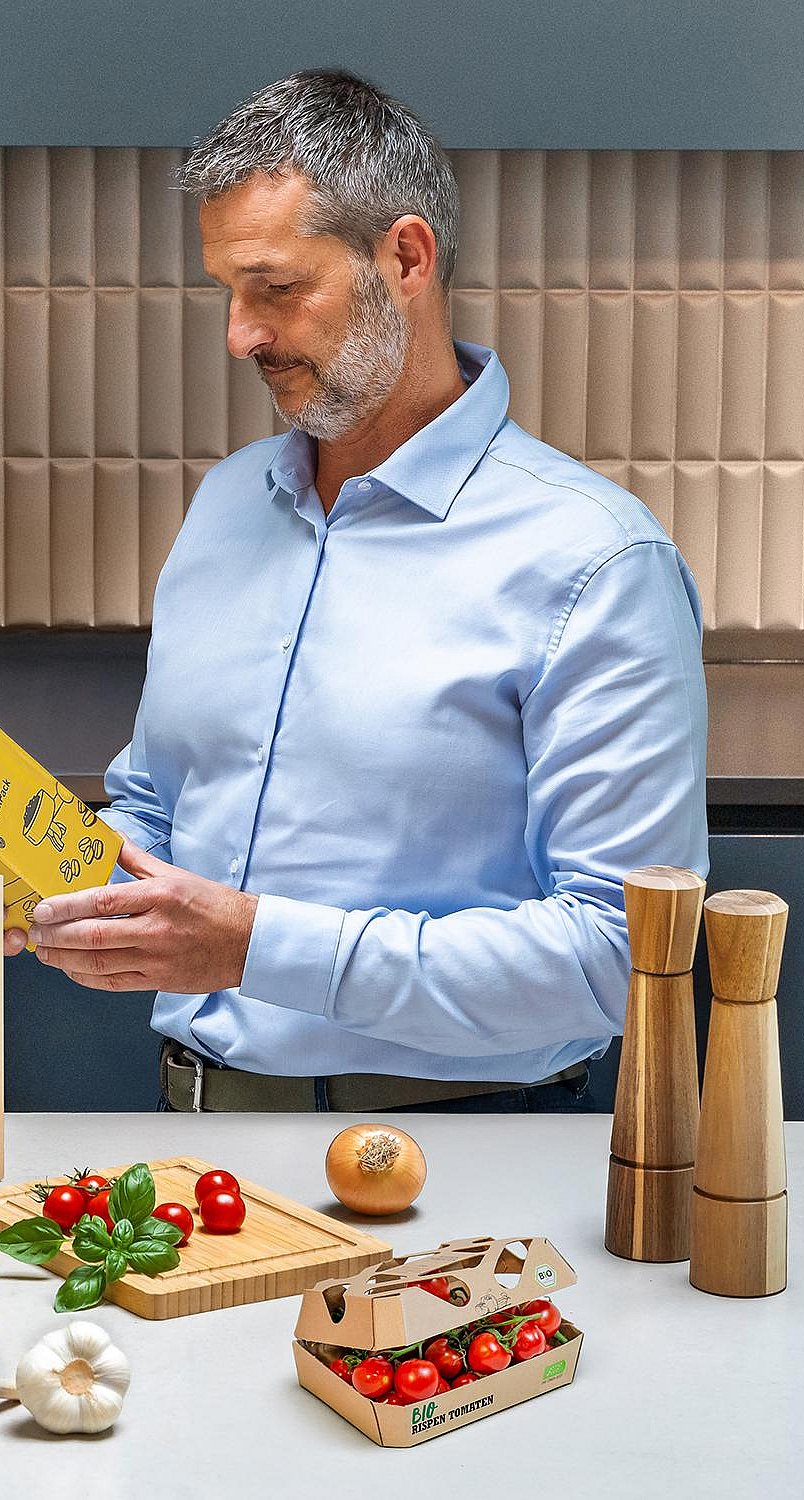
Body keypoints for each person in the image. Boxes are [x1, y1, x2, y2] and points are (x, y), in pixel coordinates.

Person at [4, 69, 709, 1113]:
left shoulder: (596, 561)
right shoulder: (227, 506)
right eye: (229, 293)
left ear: (406, 258)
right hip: (198, 1134)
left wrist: (256, 946)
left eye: (276, 288)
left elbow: (620, 955)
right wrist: (46, 879)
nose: (240, 334)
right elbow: (159, 800)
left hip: (460, 1154)